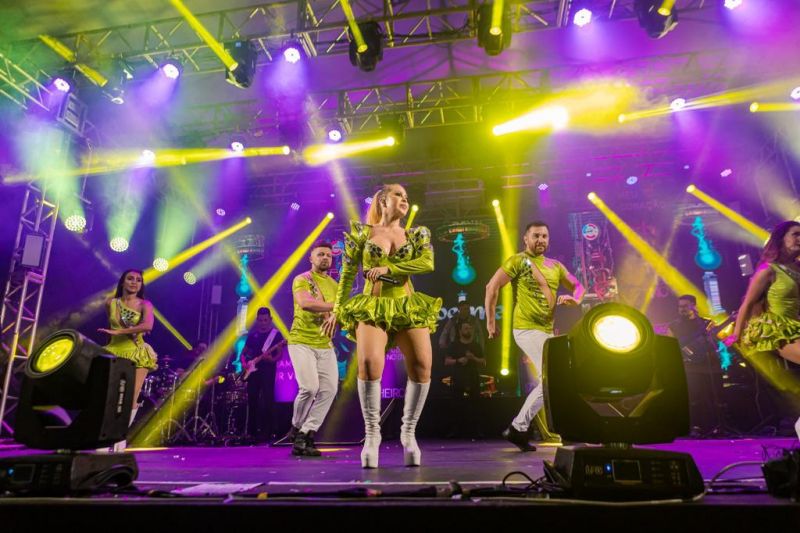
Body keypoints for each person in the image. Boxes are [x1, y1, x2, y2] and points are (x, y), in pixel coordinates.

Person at [323, 183, 442, 468]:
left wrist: (390, 268)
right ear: (383, 200)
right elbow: (347, 274)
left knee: (422, 366)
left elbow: (428, 263)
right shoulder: (362, 233)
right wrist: (337, 310)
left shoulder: (416, 234)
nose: (404, 199)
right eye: (398, 194)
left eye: (406, 196)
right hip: (372, 304)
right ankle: (372, 435)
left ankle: (408, 433)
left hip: (407, 304)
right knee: (369, 364)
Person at [485, 221, 584, 451]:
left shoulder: (555, 266)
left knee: (556, 380)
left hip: (547, 331)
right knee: (552, 379)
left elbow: (578, 286)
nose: (541, 240)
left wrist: (576, 299)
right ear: (526, 239)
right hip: (526, 329)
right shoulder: (518, 261)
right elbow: (491, 287)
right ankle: (528, 429)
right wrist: (490, 322)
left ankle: (519, 429)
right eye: (536, 236)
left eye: (544, 236)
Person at [727, 221, 800, 441]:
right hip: (775, 328)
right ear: (781, 239)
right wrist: (736, 334)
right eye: (796, 234)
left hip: (795, 325)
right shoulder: (768, 270)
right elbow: (747, 304)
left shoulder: (797, 268)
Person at [285, 241, 339, 457]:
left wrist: (338, 316)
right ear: (311, 258)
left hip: (325, 344)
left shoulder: (335, 285)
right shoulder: (302, 279)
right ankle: (296, 426)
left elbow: (337, 315)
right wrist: (338, 307)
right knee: (309, 387)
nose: (325, 258)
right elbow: (305, 303)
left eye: (328, 255)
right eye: (320, 254)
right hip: (301, 341)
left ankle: (306, 434)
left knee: (330, 390)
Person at [99, 269, 158, 450]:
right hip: (114, 351)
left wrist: (121, 331)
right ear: (123, 282)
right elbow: (111, 329)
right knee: (108, 396)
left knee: (130, 397)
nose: (134, 282)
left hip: (136, 353)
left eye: (138, 280)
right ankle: (104, 437)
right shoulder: (111, 303)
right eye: (130, 278)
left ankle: (119, 438)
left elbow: (147, 325)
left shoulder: (145, 304)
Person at [669, 294, 722, 436]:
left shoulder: (706, 323)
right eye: (680, 306)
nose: (682, 309)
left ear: (694, 306)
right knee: (693, 399)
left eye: (685, 306)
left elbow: (716, 343)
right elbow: (670, 347)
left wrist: (712, 340)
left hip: (708, 367)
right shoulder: (674, 326)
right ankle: (695, 427)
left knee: (711, 398)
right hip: (688, 368)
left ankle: (714, 427)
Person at [239, 307, 285, 443]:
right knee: (252, 401)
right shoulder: (252, 335)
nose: (263, 323)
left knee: (268, 400)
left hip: (268, 371)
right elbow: (243, 353)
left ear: (270, 319)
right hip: (253, 373)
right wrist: (244, 363)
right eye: (260, 320)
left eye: (265, 320)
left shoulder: (276, 335)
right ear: (257, 320)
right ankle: (251, 432)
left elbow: (279, 355)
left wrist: (271, 359)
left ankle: (269, 432)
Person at [444, 320, 486, 398]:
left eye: (470, 328)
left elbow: (484, 362)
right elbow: (446, 361)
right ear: (460, 331)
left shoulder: (476, 345)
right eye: (466, 328)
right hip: (457, 380)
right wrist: (458, 360)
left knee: (475, 403)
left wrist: (474, 358)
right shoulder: (454, 345)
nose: (469, 330)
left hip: (473, 380)